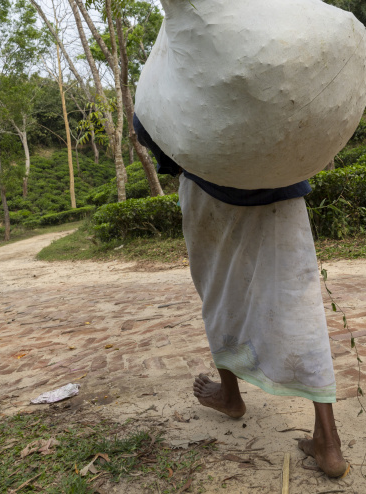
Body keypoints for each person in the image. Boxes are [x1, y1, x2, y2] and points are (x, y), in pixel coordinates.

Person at [133, 114, 347, 478]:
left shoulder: (178, 73)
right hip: (282, 185)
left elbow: (149, 127)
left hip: (208, 191)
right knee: (298, 302)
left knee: (221, 292)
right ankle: (329, 443)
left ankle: (230, 396)